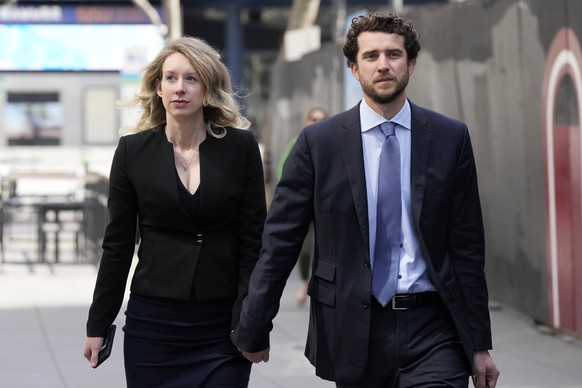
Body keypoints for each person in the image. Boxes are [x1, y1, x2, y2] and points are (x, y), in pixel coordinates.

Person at [232, 11, 499, 388]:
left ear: (412, 64)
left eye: (394, 54)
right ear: (354, 69)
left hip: (434, 329)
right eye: (371, 56)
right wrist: (255, 323)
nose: (383, 65)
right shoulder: (318, 143)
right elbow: (280, 241)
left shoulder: (448, 137)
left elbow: (467, 247)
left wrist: (479, 343)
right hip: (353, 327)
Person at [83, 36, 267, 388]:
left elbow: (253, 243)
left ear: (208, 87)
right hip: (154, 325)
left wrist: (254, 321)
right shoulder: (132, 152)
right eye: (171, 78)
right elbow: (117, 246)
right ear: (158, 87)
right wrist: (98, 324)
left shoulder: (240, 147)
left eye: (191, 78)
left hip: (222, 324)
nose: (179, 88)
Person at [277, 107, 329, 306]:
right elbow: (284, 171)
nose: (317, 122)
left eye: (322, 119)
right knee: (306, 249)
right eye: (313, 119)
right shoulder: (298, 143)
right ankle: (304, 282)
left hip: (326, 206)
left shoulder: (332, 142)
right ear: (306, 121)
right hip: (305, 206)